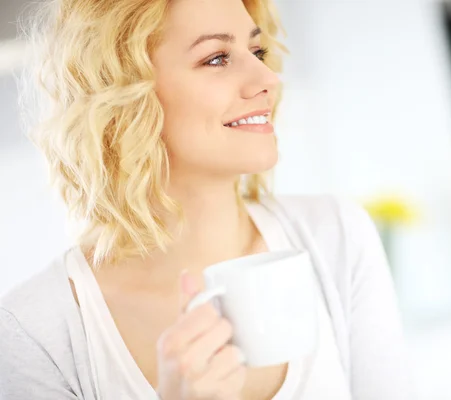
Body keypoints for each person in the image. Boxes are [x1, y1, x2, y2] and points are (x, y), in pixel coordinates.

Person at [0, 0, 407, 399]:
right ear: (125, 95)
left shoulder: (337, 237)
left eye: (256, 50)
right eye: (217, 59)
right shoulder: (34, 332)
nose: (267, 78)